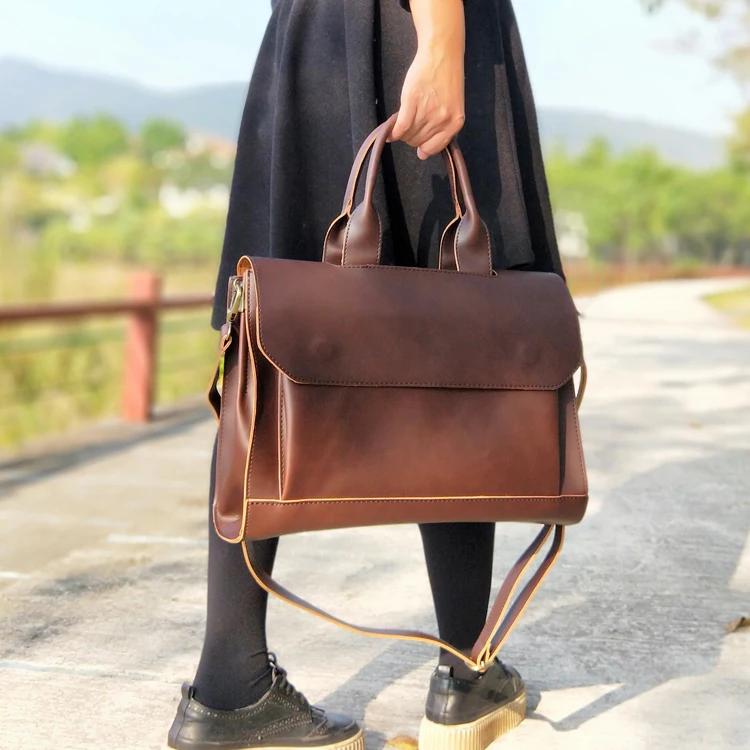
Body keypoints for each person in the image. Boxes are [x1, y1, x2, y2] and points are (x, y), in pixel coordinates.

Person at [167, 1, 564, 749]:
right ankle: (464, 672)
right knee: (460, 333)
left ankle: (231, 687)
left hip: (314, 39)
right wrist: (442, 38)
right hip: (405, 28)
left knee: (271, 343)